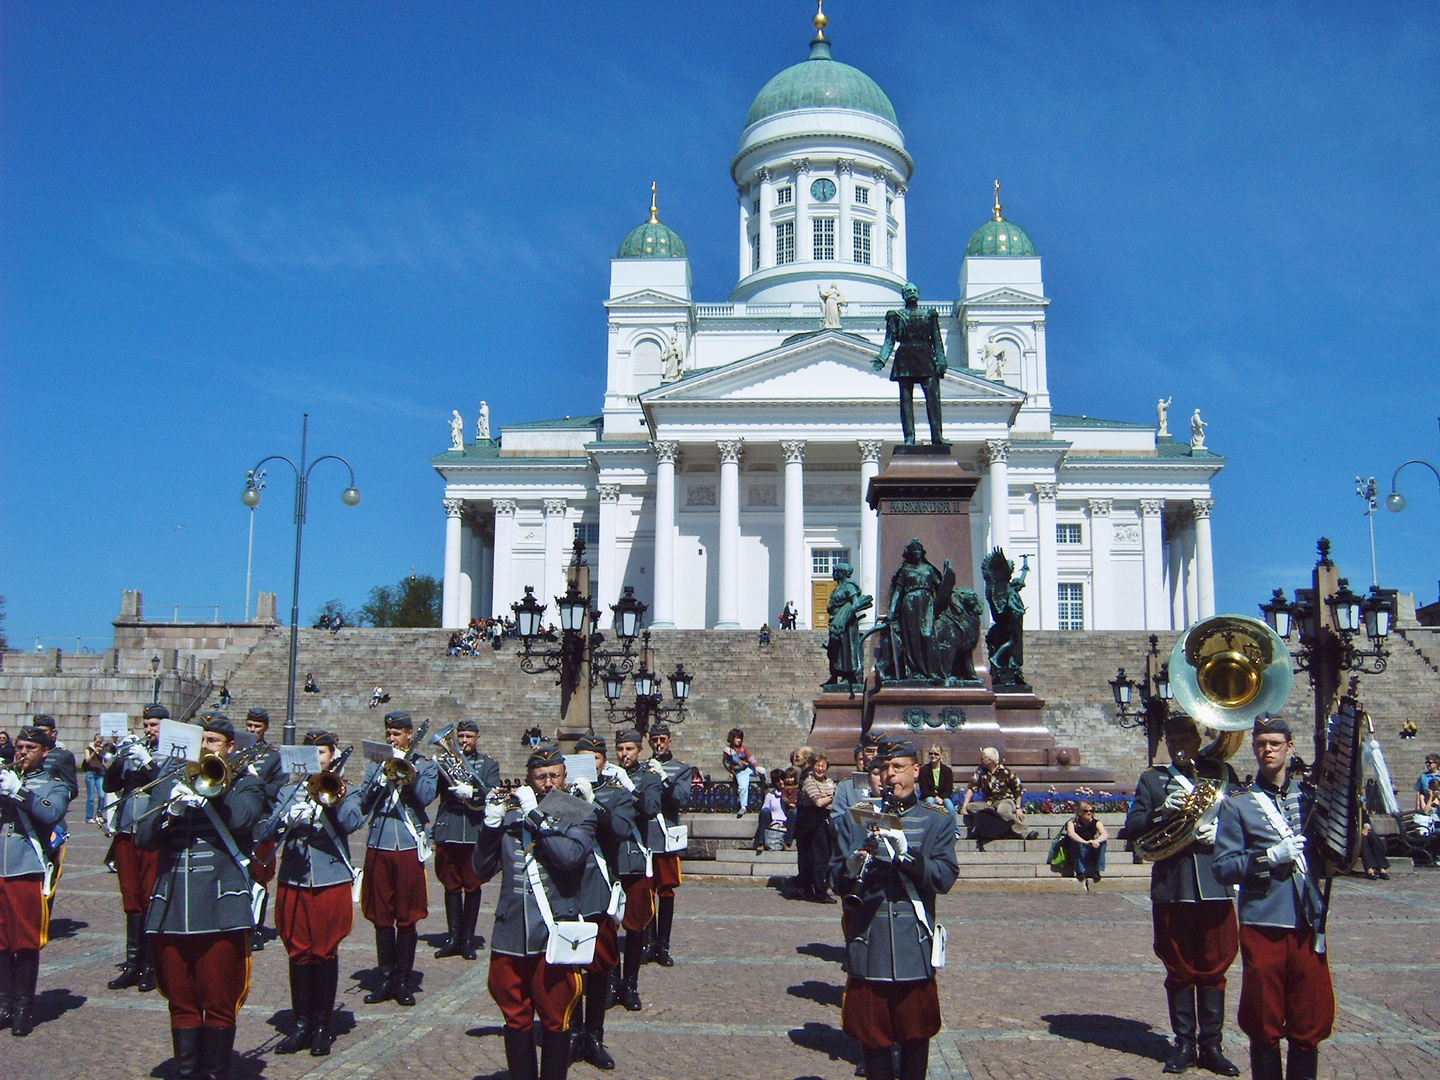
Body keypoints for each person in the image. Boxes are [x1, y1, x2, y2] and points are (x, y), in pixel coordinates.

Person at [136, 716, 267, 1080]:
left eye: (214, 741)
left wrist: (215, 790)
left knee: (219, 1000)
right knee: (180, 999)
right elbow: (143, 837)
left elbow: (243, 821)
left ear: (229, 748)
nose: (206, 746)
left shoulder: (245, 784)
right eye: (202, 739)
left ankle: (214, 1073)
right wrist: (170, 812)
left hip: (221, 903)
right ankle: (187, 1072)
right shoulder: (170, 780)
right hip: (173, 904)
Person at [1213, 716, 1334, 1080]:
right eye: (1261, 743)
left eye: (1275, 743)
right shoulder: (1239, 804)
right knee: (1263, 1017)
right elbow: (1223, 866)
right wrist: (1268, 858)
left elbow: (1337, 858)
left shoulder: (1314, 800)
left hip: (1308, 922)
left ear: (1290, 748)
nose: (1268, 750)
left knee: (1308, 1018)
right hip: (1264, 920)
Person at [831, 738, 959, 1080]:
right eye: (884, 768)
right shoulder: (856, 819)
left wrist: (909, 858)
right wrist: (852, 866)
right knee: (873, 1043)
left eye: (898, 767)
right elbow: (833, 876)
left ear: (916, 771)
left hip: (913, 947)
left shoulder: (936, 821)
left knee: (916, 1038)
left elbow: (945, 877)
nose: (890, 775)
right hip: (869, 944)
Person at [1125, 715, 1242, 1075]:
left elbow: (1242, 818)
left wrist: (1221, 833)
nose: (1179, 745)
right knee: (1178, 966)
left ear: (1197, 739)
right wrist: (1162, 811)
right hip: (1173, 885)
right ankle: (1184, 1043)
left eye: (1185, 738)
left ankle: (1212, 1045)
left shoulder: (1220, 773)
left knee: (1215, 963)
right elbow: (1132, 827)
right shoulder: (1153, 779)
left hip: (1215, 882)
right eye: (1172, 739)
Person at [475, 743, 596, 1080]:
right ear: (529, 779)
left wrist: (536, 817)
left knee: (557, 1017)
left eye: (553, 776)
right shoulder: (513, 813)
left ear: (564, 776)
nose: (547, 783)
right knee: (515, 1016)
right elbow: (481, 870)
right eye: (540, 777)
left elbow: (569, 857)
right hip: (511, 931)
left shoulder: (578, 811)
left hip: (552, 934)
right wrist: (489, 824)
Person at [253, 731, 362, 1056]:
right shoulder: (288, 790)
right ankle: (301, 1024)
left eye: (323, 753)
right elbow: (264, 831)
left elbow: (353, 822)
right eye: (311, 753)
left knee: (324, 950)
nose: (318, 759)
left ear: (333, 756)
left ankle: (322, 1027)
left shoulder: (347, 789)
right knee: (298, 950)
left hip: (329, 879)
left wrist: (332, 802)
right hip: (295, 880)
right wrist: (285, 816)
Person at [344, 712, 439, 1007]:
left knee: (407, 914)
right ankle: (385, 978)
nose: (391, 738)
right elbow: (364, 800)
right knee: (381, 913)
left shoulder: (425, 765)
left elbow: (425, 797)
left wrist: (407, 771)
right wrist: (378, 778)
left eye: (397, 733)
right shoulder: (376, 766)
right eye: (388, 733)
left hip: (408, 844)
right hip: (379, 842)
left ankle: (403, 979)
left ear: (410, 734)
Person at [570, 733, 638, 1070]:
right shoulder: (560, 793)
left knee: (598, 965)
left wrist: (594, 803)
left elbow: (621, 832)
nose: (587, 765)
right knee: (567, 966)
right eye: (580, 758)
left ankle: (593, 1035)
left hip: (597, 890)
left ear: (603, 762)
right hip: (565, 893)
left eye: (593, 759)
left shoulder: (615, 794)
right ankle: (569, 1033)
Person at [0, 725, 73, 1036]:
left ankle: (23, 1008)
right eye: (19, 747)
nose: (22, 753)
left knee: (25, 941)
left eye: (30, 748)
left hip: (26, 867)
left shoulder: (53, 783)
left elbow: (52, 813)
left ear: (45, 752)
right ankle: (3, 1003)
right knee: (1, 942)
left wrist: (20, 792)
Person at [102, 703, 174, 993]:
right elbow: (110, 786)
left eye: (154, 725)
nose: (148, 730)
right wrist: (117, 761)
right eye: (146, 725)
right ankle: (133, 964)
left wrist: (147, 763)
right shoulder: (136, 750)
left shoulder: (171, 755)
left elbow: (164, 787)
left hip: (151, 832)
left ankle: (152, 966)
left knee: (150, 896)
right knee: (131, 897)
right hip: (126, 830)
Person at [432, 720, 500, 960]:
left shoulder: (489, 765)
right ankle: (453, 938)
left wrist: (473, 792)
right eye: (460, 736)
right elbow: (431, 792)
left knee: (472, 884)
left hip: (473, 830)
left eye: (468, 736)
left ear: (477, 738)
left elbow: (493, 793)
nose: (463, 741)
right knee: (450, 884)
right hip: (449, 828)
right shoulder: (445, 763)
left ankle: (468, 939)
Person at [610, 728, 662, 1012]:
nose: (624, 755)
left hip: (635, 859)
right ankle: (609, 983)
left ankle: (629, 985)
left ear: (639, 750)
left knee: (634, 925)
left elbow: (651, 808)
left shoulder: (648, 778)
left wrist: (629, 786)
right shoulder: (605, 777)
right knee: (608, 927)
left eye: (629, 749)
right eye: (620, 749)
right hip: (610, 861)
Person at [871, 281, 948, 447]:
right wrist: (882, 359)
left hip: (926, 356)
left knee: (933, 399)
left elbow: (937, 340)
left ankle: (937, 436)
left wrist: (941, 360)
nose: (911, 293)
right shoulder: (896, 316)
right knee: (906, 401)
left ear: (918, 294)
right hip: (905, 357)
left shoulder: (929, 315)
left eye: (914, 290)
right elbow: (889, 340)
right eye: (908, 291)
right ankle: (909, 437)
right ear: (904, 295)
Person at [242, 707, 285, 953]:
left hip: (260, 822)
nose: (252, 730)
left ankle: (257, 928)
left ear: (265, 728)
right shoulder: (236, 751)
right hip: (238, 822)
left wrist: (254, 781)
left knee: (259, 877)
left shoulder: (272, 757)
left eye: (256, 727)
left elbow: (277, 788)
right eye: (249, 726)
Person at [959, 747, 1036, 848]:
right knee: (971, 807)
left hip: (1005, 801)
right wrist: (964, 806)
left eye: (982, 758)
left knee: (1002, 811)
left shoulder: (1006, 772)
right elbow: (971, 788)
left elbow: (1017, 790)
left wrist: (1018, 807)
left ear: (989, 760)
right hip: (989, 803)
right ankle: (998, 829)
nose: (981, 760)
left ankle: (1026, 831)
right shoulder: (980, 772)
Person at [797, 754, 837, 902]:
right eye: (818, 766)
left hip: (824, 822)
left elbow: (829, 797)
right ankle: (815, 891)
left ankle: (820, 888)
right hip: (810, 823)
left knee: (824, 857)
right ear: (813, 767)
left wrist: (828, 797)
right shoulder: (809, 781)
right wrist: (831, 797)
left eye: (823, 766)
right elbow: (818, 802)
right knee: (813, 858)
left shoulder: (830, 782)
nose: (820, 769)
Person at [1065, 802, 1109, 891]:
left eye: (1091, 811)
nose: (1089, 813)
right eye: (1086, 811)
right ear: (1080, 812)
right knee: (1077, 842)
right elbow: (1071, 834)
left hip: (1089, 850)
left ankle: (1097, 871)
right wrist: (1085, 842)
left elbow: (1105, 834)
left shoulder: (1096, 822)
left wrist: (1097, 841)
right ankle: (1080, 871)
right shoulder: (1072, 822)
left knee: (1102, 843)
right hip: (1076, 852)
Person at [722, 729, 763, 817]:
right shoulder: (728, 750)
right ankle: (743, 806)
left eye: (740, 738)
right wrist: (731, 771)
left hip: (748, 768)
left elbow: (750, 757)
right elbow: (726, 762)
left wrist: (756, 766)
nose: (739, 740)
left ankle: (764, 785)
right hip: (739, 771)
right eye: (737, 738)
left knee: (762, 770)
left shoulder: (743, 748)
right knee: (743, 788)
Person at [762, 770, 790, 851]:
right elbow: (765, 810)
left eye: (782, 779)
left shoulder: (792, 793)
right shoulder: (770, 795)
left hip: (787, 822)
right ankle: (761, 842)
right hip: (773, 823)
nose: (781, 782)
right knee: (765, 812)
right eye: (778, 781)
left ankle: (788, 842)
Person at [83, 733, 107, 824]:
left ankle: (99, 815)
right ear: (94, 740)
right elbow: (87, 760)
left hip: (100, 773)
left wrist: (104, 752)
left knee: (102, 795)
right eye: (97, 742)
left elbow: (106, 760)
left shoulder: (101, 749)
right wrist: (94, 752)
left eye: (100, 742)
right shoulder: (88, 749)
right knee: (91, 797)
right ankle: (89, 817)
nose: (99, 744)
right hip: (90, 773)